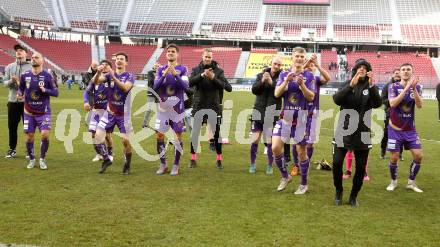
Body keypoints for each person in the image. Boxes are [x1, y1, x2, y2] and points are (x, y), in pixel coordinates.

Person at [332, 59, 382, 207]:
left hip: (363, 133)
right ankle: (338, 191)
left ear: (368, 71)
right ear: (354, 70)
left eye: (364, 68)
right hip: (343, 130)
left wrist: (373, 85)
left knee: (360, 168)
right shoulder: (347, 84)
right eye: (359, 67)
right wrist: (350, 86)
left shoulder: (370, 87)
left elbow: (378, 103)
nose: (362, 70)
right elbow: (336, 99)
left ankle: (354, 196)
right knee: (336, 163)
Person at [272, 47, 316, 195]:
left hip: (301, 121)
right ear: (292, 58)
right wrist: (286, 82)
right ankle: (285, 176)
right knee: (275, 148)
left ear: (304, 59)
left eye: (301, 57)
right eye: (296, 56)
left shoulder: (309, 76)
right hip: (285, 119)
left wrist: (302, 84)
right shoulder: (284, 74)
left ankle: (304, 184)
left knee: (301, 152)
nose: (299, 58)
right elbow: (277, 93)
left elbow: (311, 97)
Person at [188, 48, 232, 169]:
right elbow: (190, 83)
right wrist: (202, 75)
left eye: (209, 57)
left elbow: (227, 87)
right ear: (202, 56)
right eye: (206, 57)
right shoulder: (196, 69)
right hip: (199, 106)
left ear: (212, 58)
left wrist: (213, 77)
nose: (207, 59)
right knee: (195, 133)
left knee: (216, 134)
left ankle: (219, 160)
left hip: (213, 106)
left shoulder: (218, 71)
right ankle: (193, 159)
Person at [93, 52, 135, 175]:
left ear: (126, 62)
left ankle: (127, 164)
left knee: (125, 141)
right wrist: (98, 72)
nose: (119, 61)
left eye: (122, 59)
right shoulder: (108, 75)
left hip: (124, 115)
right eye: (117, 59)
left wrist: (112, 76)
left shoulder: (130, 76)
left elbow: (125, 88)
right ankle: (106, 159)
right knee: (98, 136)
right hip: (110, 113)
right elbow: (95, 82)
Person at [289, 54, 331, 176]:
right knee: (296, 141)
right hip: (299, 113)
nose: (310, 67)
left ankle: (305, 164)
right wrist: (306, 64)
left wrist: (317, 64)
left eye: (312, 66)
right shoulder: (299, 77)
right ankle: (296, 165)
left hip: (313, 114)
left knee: (310, 142)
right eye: (309, 65)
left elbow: (327, 78)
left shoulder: (315, 79)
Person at [385, 63, 424, 193]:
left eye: (408, 70)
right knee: (394, 157)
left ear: (412, 72)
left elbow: (419, 105)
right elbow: (392, 103)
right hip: (394, 129)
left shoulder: (417, 87)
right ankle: (393, 182)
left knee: (418, 155)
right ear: (400, 72)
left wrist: (414, 89)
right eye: (403, 69)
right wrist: (407, 87)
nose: (406, 71)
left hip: (410, 129)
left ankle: (411, 183)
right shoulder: (393, 86)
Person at [17, 53, 59, 169]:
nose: (34, 59)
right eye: (33, 57)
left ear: (42, 60)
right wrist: (19, 94)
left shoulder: (48, 76)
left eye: (37, 57)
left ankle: (42, 159)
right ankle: (31, 159)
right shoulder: (25, 75)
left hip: (44, 112)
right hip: (28, 113)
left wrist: (45, 90)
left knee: (45, 135)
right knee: (29, 137)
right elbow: (21, 88)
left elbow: (56, 93)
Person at [153, 44, 188, 176]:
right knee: (159, 136)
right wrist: (164, 75)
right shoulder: (160, 69)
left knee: (177, 137)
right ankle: (163, 165)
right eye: (168, 52)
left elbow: (185, 86)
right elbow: (155, 86)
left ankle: (176, 165)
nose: (170, 53)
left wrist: (175, 75)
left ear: (177, 54)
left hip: (177, 110)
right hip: (163, 110)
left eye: (173, 51)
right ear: (166, 54)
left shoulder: (183, 69)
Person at [249, 56, 283, 175]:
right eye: (275, 64)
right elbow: (254, 90)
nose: (277, 66)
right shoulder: (261, 74)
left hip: (272, 112)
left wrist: (271, 83)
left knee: (269, 142)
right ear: (271, 63)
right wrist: (262, 81)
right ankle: (252, 164)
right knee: (254, 140)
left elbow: (280, 94)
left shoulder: (282, 77)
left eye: (279, 65)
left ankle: (269, 165)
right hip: (258, 111)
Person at [3, 44, 32, 159]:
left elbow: (33, 85)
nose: (18, 52)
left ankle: (29, 150)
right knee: (12, 126)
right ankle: (12, 149)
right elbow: (4, 83)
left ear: (26, 53)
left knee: (28, 127)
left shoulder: (31, 67)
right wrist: (12, 80)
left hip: (27, 102)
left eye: (21, 50)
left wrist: (21, 82)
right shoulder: (9, 67)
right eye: (17, 51)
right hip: (13, 101)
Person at [83, 60, 114, 162]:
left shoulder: (110, 78)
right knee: (93, 134)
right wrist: (86, 102)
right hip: (95, 111)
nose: (104, 67)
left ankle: (110, 154)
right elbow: (87, 91)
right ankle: (100, 154)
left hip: (106, 112)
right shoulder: (96, 80)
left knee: (107, 136)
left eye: (107, 65)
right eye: (103, 65)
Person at [380, 69, 403, 160]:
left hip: (402, 114)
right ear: (393, 74)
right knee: (386, 133)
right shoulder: (387, 86)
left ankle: (400, 153)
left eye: (399, 73)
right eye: (396, 73)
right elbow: (383, 99)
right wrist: (393, 102)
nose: (397, 74)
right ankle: (383, 151)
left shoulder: (404, 86)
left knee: (401, 134)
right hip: (390, 113)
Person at [142, 62, 160, 129]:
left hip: (158, 93)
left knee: (159, 110)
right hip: (151, 93)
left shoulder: (161, 73)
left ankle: (158, 124)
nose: (157, 67)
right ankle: (144, 124)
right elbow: (150, 81)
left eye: (158, 66)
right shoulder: (150, 72)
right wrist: (158, 78)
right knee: (149, 109)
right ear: (153, 67)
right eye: (156, 66)